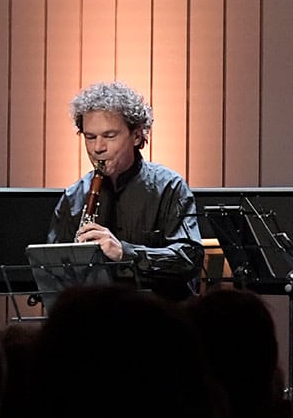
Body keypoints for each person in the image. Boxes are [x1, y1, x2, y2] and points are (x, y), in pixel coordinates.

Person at [34, 81, 204, 307]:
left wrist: (124, 252)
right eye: (90, 137)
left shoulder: (169, 187)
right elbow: (53, 272)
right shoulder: (75, 196)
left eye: (109, 136)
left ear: (135, 135)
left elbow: (188, 258)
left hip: (157, 319)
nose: (98, 148)